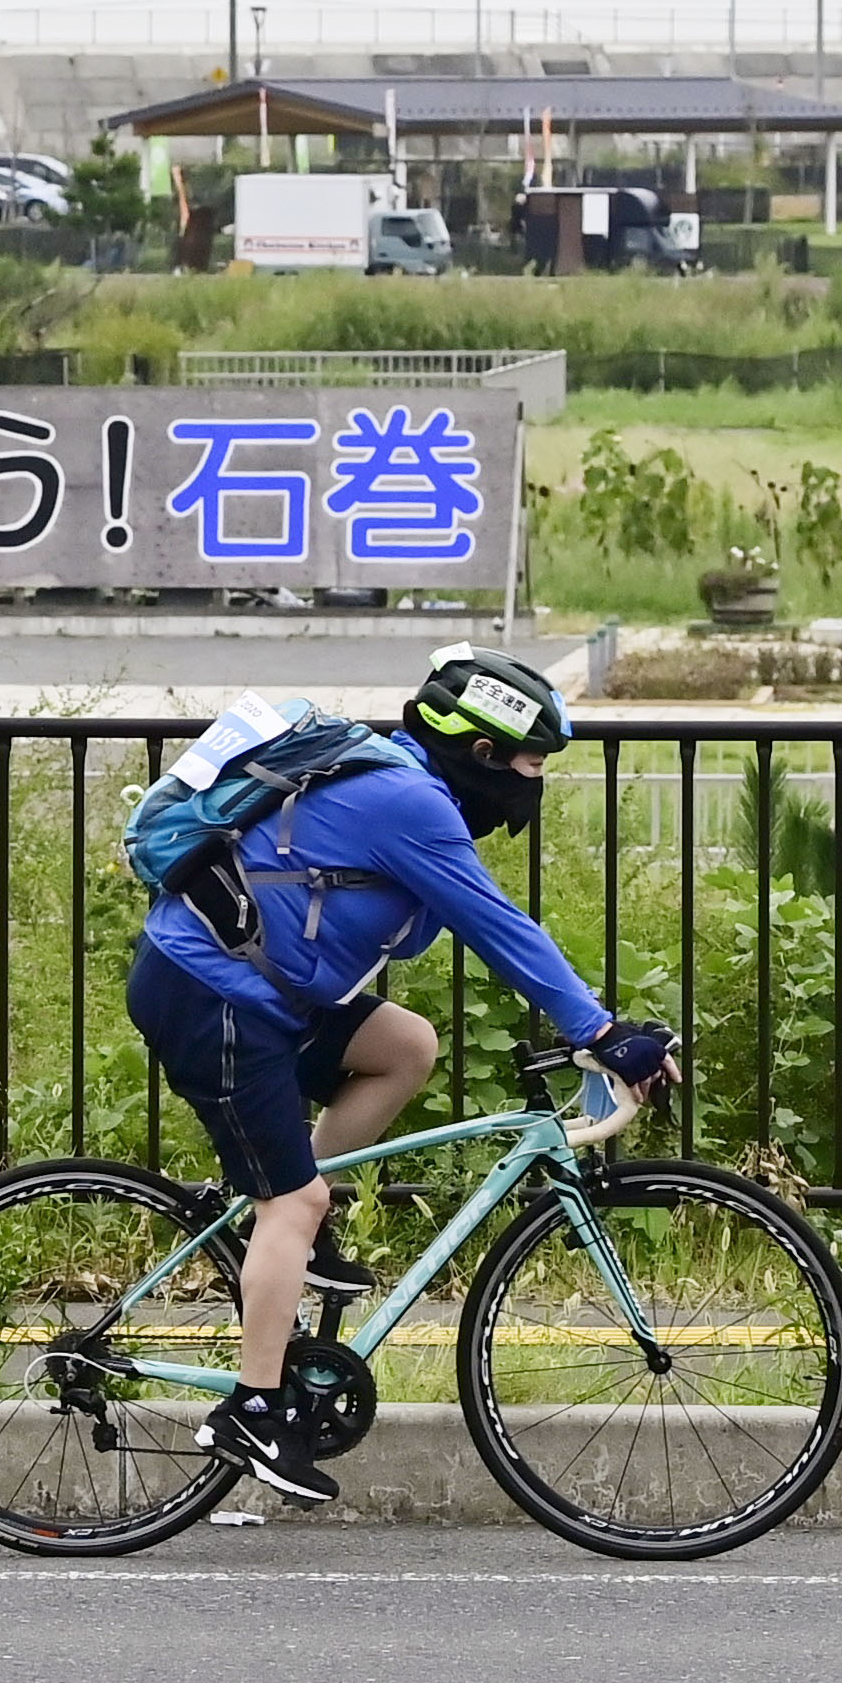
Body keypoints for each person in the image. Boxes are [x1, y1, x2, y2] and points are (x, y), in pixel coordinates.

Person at [124, 646, 678, 1507]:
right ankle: (252, 1406)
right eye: (531, 764)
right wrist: (599, 1030)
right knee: (292, 1201)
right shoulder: (405, 801)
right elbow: (496, 926)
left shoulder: (411, 790)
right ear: (484, 754)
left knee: (404, 1045)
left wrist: (594, 1022)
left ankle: (290, 1233)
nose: (536, 783)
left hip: (268, 993)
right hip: (209, 991)